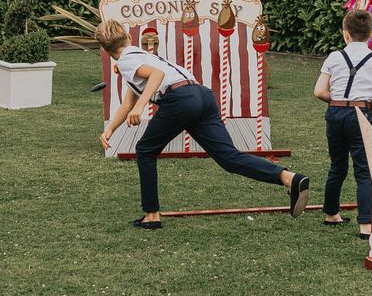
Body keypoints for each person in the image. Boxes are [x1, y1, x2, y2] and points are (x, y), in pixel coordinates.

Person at [94, 19, 310, 229]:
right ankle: (289, 178)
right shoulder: (142, 56)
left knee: (145, 150)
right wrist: (110, 129)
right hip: (202, 95)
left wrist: (140, 107)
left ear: (104, 49)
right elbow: (128, 100)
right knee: (229, 158)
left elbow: (156, 76)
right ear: (129, 37)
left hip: (180, 100)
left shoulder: (125, 61)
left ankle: (151, 215)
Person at [313, 10, 372, 239]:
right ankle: (366, 225)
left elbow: (319, 90)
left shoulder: (334, 57)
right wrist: (369, 105)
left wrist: (338, 101)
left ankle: (331, 213)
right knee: (364, 170)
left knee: (337, 165)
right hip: (360, 113)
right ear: (371, 33)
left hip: (335, 113)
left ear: (345, 34)